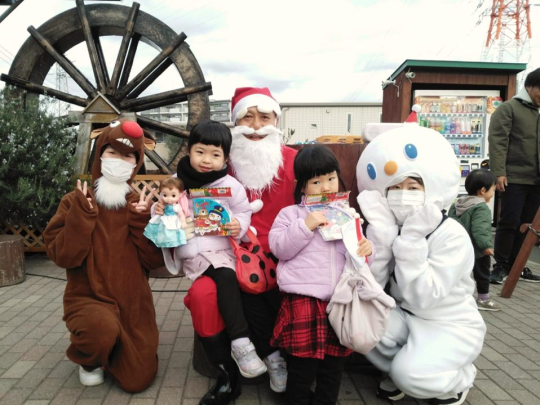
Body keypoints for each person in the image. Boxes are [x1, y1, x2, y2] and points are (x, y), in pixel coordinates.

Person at [357, 126, 486, 404]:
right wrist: (382, 240)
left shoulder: (450, 233)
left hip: (449, 323)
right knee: (359, 322)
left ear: (430, 188)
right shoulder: (391, 227)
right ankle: (404, 368)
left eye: (413, 187)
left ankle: (458, 379)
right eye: (395, 188)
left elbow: (424, 297)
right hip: (406, 318)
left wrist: (411, 242)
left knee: (410, 375)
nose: (403, 194)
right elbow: (372, 288)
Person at [183, 87, 297, 402]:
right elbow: (180, 196)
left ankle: (285, 363)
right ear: (235, 122)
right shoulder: (218, 160)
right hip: (226, 253)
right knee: (205, 294)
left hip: (284, 249)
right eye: (248, 117)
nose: (256, 126)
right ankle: (227, 375)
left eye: (265, 117)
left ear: (276, 120)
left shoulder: (295, 161)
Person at [44, 119, 164, 393]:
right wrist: (81, 217)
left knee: (138, 380)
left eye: (128, 156)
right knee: (99, 330)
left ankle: (112, 349)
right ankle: (89, 360)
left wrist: (141, 220)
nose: (119, 161)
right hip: (88, 298)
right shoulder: (74, 200)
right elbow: (63, 256)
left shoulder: (138, 204)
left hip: (133, 304)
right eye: (112, 152)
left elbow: (154, 260)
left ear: (136, 163)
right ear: (99, 154)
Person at [155, 120, 266, 404]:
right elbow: (161, 215)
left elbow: (243, 212)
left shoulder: (230, 185)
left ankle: (237, 357)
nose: (207, 160)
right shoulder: (175, 184)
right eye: (200, 151)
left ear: (225, 158)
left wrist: (237, 225)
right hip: (194, 257)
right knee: (205, 292)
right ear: (188, 150)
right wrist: (159, 212)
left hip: (224, 254)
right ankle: (229, 369)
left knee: (213, 288)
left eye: (215, 154)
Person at [269, 145, 373, 405]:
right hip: (303, 300)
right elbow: (279, 248)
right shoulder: (291, 214)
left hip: (340, 300)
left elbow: (359, 261)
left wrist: (367, 249)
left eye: (330, 178)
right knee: (303, 367)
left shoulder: (346, 215)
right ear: (302, 186)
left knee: (333, 366)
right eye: (316, 182)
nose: (326, 187)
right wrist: (306, 225)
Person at [489, 68, 540, 284]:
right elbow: (498, 141)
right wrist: (499, 172)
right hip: (514, 177)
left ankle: (518, 266)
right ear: (529, 86)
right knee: (509, 222)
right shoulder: (509, 108)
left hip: (537, 181)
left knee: (528, 226)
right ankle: (501, 265)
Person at [449, 169, 500, 311]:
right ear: (483, 190)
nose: (493, 193)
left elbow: (450, 224)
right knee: (482, 274)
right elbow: (480, 229)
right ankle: (483, 299)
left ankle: (454, 298)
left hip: (459, 247)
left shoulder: (457, 204)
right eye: (493, 190)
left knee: (458, 274)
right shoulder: (481, 208)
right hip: (477, 250)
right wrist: (486, 246)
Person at [144, 177, 189, 247]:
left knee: (171, 231)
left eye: (173, 196)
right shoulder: (164, 204)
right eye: (165, 195)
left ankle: (171, 242)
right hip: (164, 218)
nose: (169, 198)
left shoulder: (176, 206)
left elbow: (181, 215)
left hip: (173, 220)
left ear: (180, 195)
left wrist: (183, 222)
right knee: (161, 230)